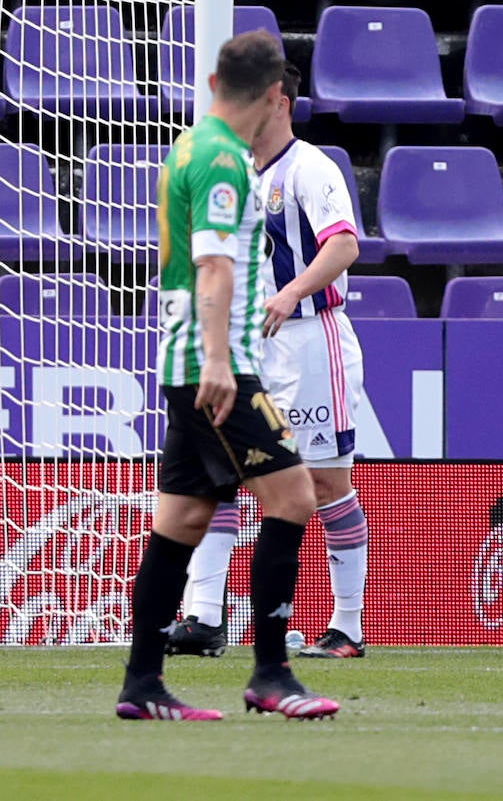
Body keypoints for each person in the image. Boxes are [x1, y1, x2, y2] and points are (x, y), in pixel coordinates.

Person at [118, 30, 337, 720]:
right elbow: (214, 264)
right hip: (216, 363)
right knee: (295, 497)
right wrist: (219, 360)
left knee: (182, 518)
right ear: (277, 96)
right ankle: (271, 673)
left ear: (215, 85)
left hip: (181, 356)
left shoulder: (189, 145)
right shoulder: (224, 162)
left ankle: (142, 684)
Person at [167, 62, 369, 661]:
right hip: (250, 347)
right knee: (221, 474)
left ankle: (348, 627)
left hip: (311, 341)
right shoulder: (234, 171)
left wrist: (291, 292)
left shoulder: (310, 166)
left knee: (326, 481)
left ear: (279, 101)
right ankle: (204, 618)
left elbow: (344, 244)